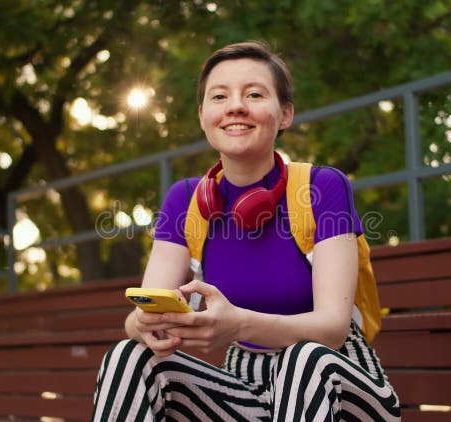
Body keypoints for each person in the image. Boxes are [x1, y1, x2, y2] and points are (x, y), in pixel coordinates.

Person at [93, 40, 401, 422]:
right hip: (244, 386)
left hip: (339, 380)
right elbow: (140, 315)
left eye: (254, 94)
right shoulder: (185, 200)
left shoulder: (323, 187)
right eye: (219, 96)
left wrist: (238, 323)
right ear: (204, 113)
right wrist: (143, 324)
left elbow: (333, 330)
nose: (235, 106)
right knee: (130, 356)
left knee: (303, 359)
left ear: (285, 114)